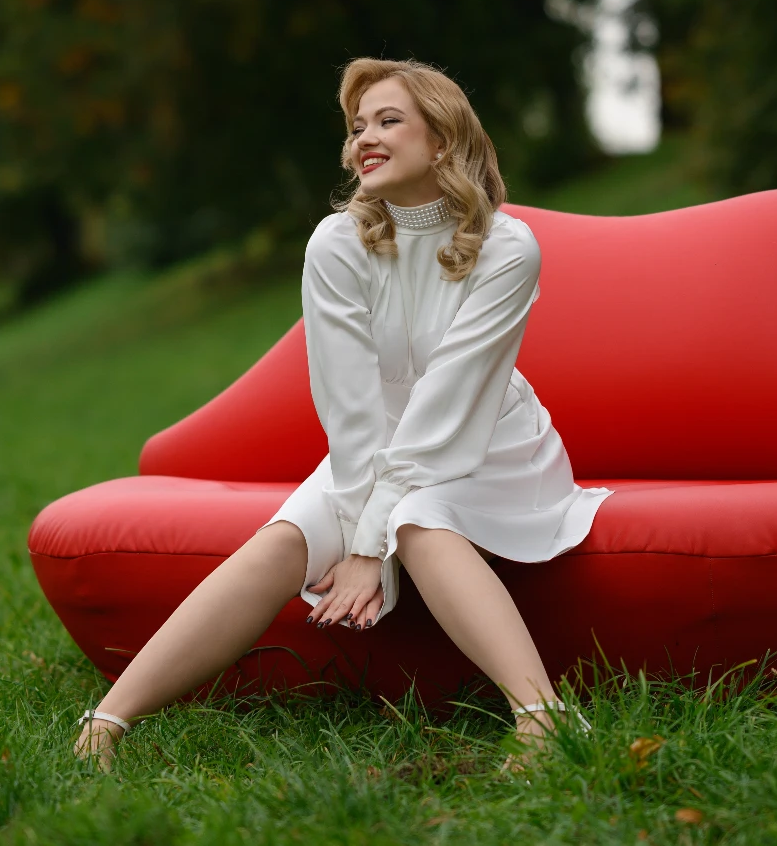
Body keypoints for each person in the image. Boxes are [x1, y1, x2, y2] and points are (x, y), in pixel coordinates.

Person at [72, 57, 611, 769]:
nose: (365, 138)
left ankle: (544, 721)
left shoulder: (508, 248)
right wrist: (357, 530)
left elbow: (448, 404)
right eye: (358, 127)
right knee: (283, 539)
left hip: (490, 447)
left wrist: (370, 547)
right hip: (374, 450)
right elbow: (350, 408)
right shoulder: (336, 243)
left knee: (419, 519)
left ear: (442, 140)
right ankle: (106, 722)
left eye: (388, 120)